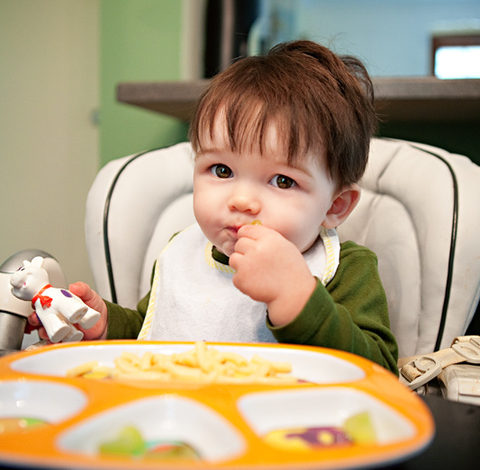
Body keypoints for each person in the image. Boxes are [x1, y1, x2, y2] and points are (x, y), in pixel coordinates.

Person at [27, 41, 398, 373]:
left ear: (335, 206)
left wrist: (298, 297)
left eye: (283, 181)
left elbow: (378, 371)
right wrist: (105, 325)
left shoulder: (346, 269)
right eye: (221, 170)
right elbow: (153, 328)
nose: (242, 200)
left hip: (281, 436)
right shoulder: (180, 253)